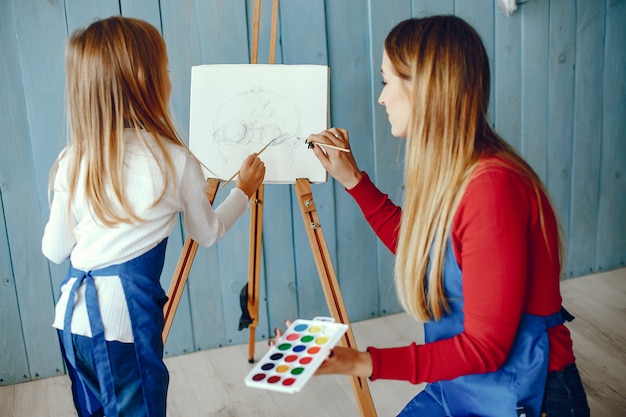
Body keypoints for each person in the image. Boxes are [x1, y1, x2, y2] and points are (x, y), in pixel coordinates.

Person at [303, 15, 589, 417]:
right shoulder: (457, 169)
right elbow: (426, 250)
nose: (382, 98)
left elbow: (486, 348)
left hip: (523, 393)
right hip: (465, 382)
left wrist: (362, 361)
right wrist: (353, 180)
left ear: (423, 88)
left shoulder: (493, 188)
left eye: (386, 82)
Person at [41, 16, 265, 417]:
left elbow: (55, 249)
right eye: (164, 69)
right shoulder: (174, 161)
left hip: (71, 321)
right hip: (124, 326)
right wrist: (243, 191)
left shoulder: (73, 159)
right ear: (147, 80)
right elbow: (208, 231)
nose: (169, 77)